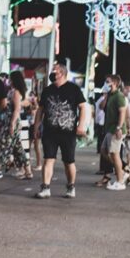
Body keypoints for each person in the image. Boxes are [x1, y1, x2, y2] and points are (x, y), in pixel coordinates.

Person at [33, 64, 88, 199]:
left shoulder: (73, 89)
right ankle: (45, 187)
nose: (52, 73)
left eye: (54, 71)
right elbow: (41, 110)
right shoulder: (47, 90)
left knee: (68, 161)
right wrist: (36, 126)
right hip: (50, 132)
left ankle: (71, 186)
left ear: (62, 73)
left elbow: (83, 107)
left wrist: (81, 125)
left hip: (68, 132)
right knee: (48, 159)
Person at [0, 71, 32, 180]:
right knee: (18, 148)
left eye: (10, 79)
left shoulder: (16, 92)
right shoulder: (13, 91)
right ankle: (28, 171)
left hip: (12, 122)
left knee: (4, 145)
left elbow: (16, 110)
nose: (8, 81)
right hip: (10, 121)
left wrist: (12, 124)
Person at [101, 75, 130, 190]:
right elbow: (101, 107)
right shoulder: (110, 95)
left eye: (107, 81)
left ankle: (120, 182)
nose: (105, 83)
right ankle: (122, 172)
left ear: (114, 83)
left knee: (115, 154)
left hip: (116, 129)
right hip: (109, 129)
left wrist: (119, 128)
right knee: (104, 151)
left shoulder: (119, 96)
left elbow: (122, 113)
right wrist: (105, 95)